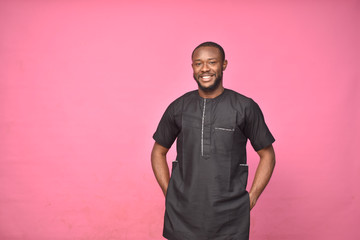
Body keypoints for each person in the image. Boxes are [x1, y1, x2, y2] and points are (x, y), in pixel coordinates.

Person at [151, 41, 276, 240]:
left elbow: (267, 154)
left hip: (230, 216)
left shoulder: (244, 107)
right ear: (192, 67)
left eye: (212, 62)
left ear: (223, 65)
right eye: (198, 63)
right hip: (183, 214)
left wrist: (251, 198)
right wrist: (170, 193)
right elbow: (158, 151)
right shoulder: (178, 107)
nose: (205, 69)